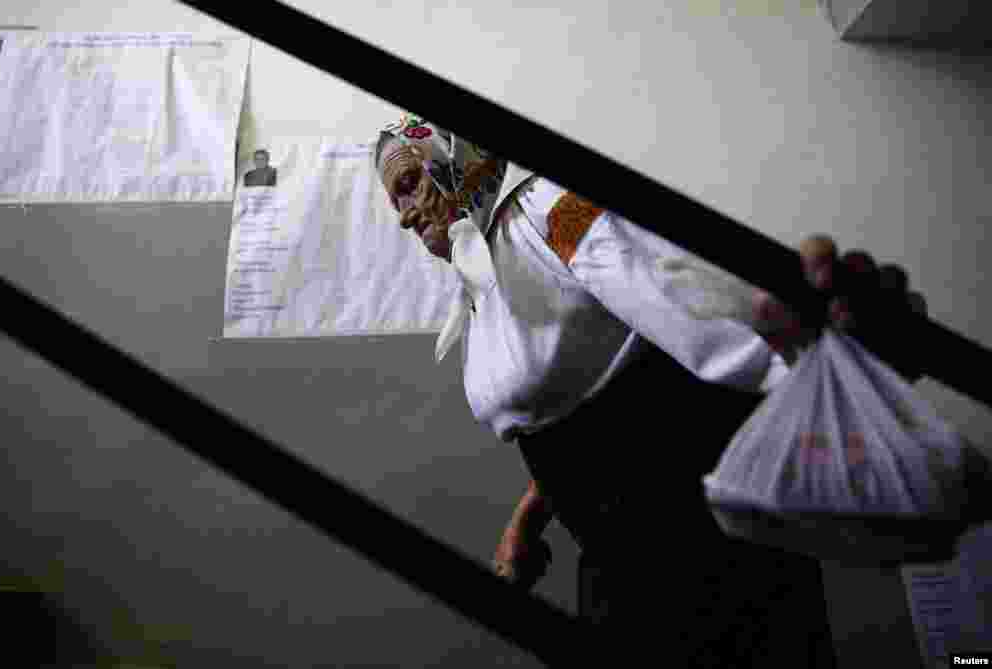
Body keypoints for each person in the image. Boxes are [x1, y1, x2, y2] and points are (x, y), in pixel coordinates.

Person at [374, 113, 929, 666]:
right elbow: (576, 411)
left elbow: (685, 313)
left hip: (702, 551)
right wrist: (527, 520)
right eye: (393, 199)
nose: (402, 217)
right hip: (616, 562)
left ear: (453, 159)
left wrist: (833, 351)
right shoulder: (482, 274)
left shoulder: (548, 212)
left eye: (407, 185)